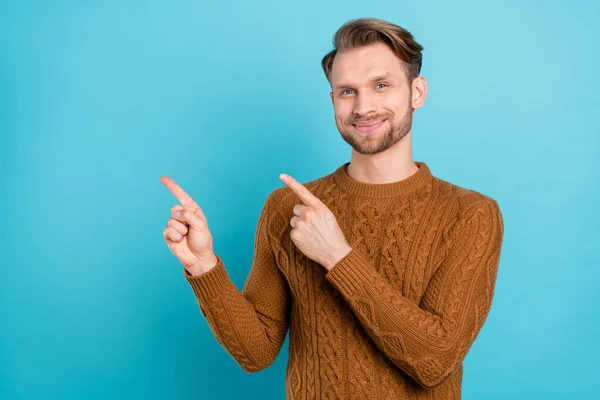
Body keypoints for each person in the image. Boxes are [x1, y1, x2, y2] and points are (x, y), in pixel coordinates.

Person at [160, 17, 504, 400]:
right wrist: (203, 266)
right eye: (347, 92)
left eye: (382, 85)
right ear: (333, 101)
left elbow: (435, 361)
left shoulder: (470, 214)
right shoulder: (287, 207)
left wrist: (337, 257)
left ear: (417, 92)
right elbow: (256, 353)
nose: (364, 107)